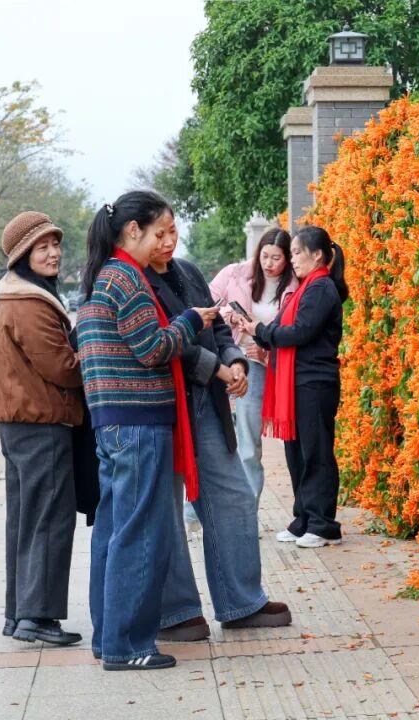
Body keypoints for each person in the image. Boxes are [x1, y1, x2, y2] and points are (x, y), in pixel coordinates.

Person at [75, 190, 216, 671]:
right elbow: (153, 348)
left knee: (114, 532)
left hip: (113, 423)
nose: (165, 241)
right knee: (139, 534)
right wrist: (191, 321)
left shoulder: (99, 276)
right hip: (137, 424)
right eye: (159, 232)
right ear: (131, 231)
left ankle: (108, 638)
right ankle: (129, 645)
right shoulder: (126, 278)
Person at [145, 222, 292, 638]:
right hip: (167, 403)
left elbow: (219, 327)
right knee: (168, 507)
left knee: (234, 495)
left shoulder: (188, 272)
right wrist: (219, 369)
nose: (168, 241)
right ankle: (177, 611)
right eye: (159, 233)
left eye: (172, 230)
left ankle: (241, 600)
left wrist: (237, 361)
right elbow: (163, 343)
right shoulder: (136, 280)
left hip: (209, 401)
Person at [0, 211, 83, 645]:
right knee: (48, 519)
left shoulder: (19, 296)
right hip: (41, 424)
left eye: (55, 245)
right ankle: (37, 617)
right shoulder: (29, 303)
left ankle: (18, 614)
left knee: (25, 521)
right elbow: (62, 368)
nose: (53, 253)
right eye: (42, 247)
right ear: (23, 255)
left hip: (22, 425)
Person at [234, 225, 347, 549]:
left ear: (318, 255)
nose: (293, 259)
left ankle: (324, 525)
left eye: (297, 253)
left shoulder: (321, 288)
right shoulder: (305, 288)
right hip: (297, 383)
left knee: (317, 454)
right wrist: (255, 329)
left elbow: (298, 332)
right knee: (297, 453)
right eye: (293, 253)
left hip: (315, 383)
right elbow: (280, 328)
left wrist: (261, 330)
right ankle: (304, 520)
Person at [210, 228, 298, 500]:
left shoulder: (294, 286)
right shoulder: (235, 274)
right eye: (264, 256)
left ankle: (248, 508)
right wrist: (229, 315)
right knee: (213, 435)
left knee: (249, 442)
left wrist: (266, 353)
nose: (268, 264)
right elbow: (205, 305)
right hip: (225, 357)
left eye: (276, 258)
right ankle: (197, 510)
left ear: (287, 260)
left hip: (259, 365)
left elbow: (294, 332)